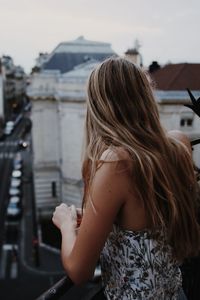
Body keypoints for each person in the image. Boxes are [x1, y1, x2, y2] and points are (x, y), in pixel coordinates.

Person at [52, 57, 200, 299]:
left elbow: (79, 271)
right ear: (145, 98)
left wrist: (66, 224)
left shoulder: (116, 164)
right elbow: (144, 222)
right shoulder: (179, 144)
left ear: (98, 106)